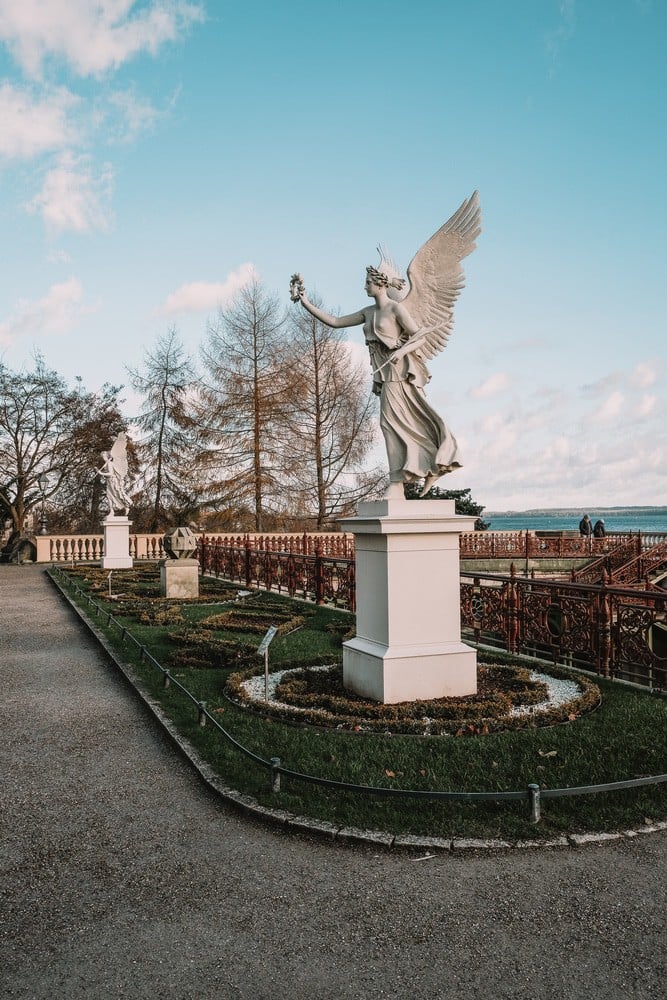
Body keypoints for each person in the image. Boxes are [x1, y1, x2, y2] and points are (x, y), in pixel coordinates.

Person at [296, 268, 460, 497]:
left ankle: (398, 482)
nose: (365, 286)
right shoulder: (368, 312)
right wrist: (305, 302)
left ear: (380, 284)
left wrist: (401, 351)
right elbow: (335, 321)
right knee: (398, 424)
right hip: (383, 374)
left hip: (398, 373)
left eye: (367, 282)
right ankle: (430, 466)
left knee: (390, 423)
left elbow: (420, 336)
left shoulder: (395, 308)